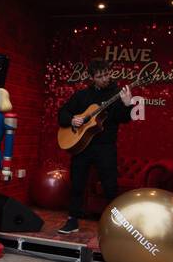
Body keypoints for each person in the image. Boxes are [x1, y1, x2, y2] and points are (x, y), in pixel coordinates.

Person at [55, 58, 133, 235]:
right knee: (77, 184)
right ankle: (73, 221)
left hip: (105, 147)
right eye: (100, 76)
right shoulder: (82, 95)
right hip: (82, 147)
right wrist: (71, 119)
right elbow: (62, 113)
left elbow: (124, 118)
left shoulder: (117, 93)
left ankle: (116, 223)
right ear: (92, 77)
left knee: (109, 185)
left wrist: (127, 105)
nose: (105, 78)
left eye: (107, 74)